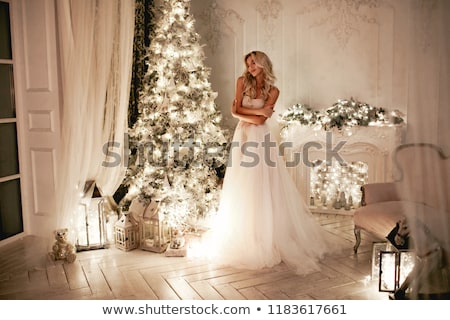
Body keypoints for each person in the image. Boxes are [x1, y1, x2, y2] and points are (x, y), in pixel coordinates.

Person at [208, 51, 345, 274]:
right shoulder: (242, 81)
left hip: (261, 138)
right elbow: (236, 111)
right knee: (242, 183)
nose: (250, 66)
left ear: (263, 63)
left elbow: (258, 119)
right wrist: (253, 111)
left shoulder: (273, 90)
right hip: (242, 137)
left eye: (254, 62)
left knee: (262, 182)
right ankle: (246, 232)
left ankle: (268, 234)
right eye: (248, 63)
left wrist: (244, 113)